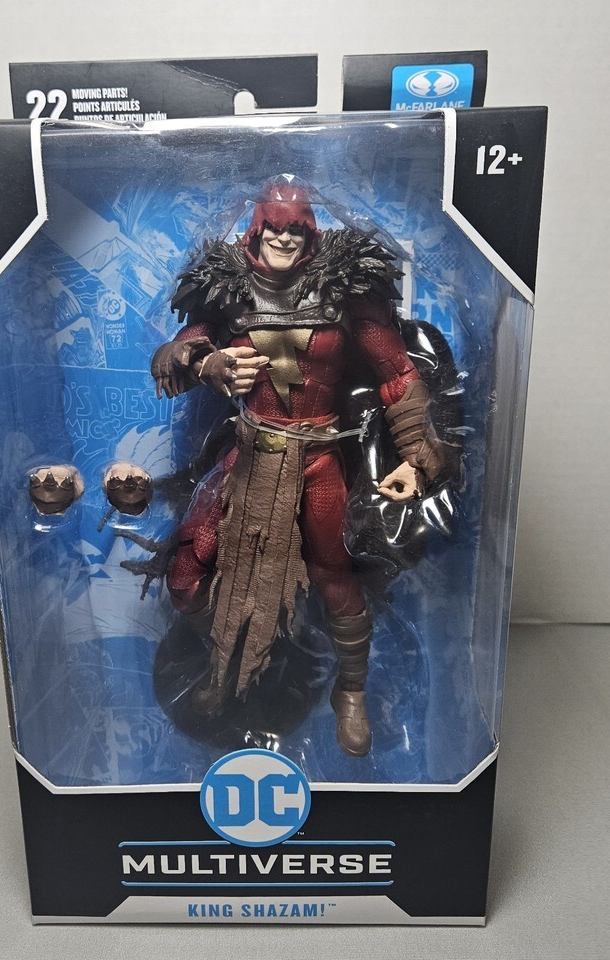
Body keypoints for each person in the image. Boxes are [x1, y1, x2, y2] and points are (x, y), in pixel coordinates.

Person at [151, 179, 454, 756]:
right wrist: (208, 364)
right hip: (250, 455)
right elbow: (182, 348)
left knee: (334, 576)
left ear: (311, 230)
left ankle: (351, 692)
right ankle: (233, 659)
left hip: (318, 459)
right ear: (256, 228)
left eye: (296, 228)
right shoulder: (227, 284)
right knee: (188, 570)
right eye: (274, 227)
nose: (284, 238)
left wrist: (417, 457)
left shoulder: (345, 285)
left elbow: (396, 372)